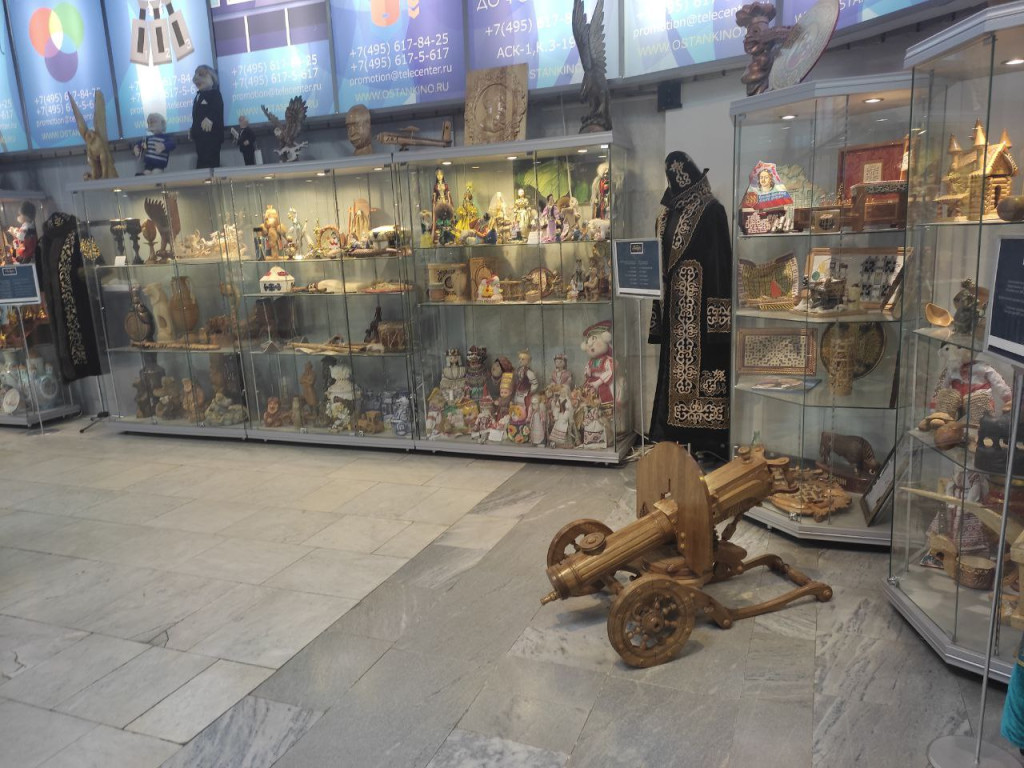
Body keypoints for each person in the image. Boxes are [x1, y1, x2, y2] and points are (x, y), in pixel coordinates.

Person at [649, 152, 732, 457]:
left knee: (704, 379)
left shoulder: (711, 211)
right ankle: (673, 443)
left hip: (701, 319)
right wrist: (657, 321)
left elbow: (721, 267)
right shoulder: (665, 216)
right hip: (675, 318)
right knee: (672, 383)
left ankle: (708, 445)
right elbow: (659, 272)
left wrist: (720, 325)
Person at [190, 65, 224, 169]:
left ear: (212, 77)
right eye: (196, 75)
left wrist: (210, 118)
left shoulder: (215, 94)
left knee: (210, 159)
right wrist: (193, 129)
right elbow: (196, 116)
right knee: (201, 158)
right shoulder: (198, 96)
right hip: (200, 136)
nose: (197, 78)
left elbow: (217, 109)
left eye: (201, 75)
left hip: (211, 135)